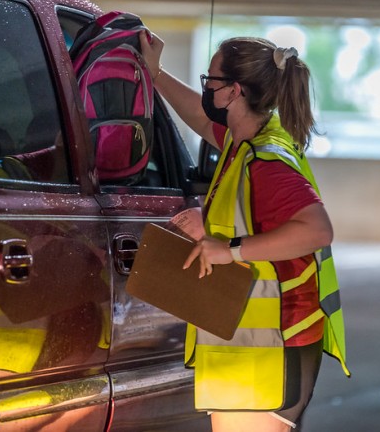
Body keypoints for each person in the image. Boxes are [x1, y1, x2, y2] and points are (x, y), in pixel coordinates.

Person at [139, 32, 350, 432]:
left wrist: (229, 249)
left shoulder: (266, 160)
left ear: (233, 91)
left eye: (210, 81)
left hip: (270, 347)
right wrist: (157, 75)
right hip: (257, 343)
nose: (205, 89)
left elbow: (318, 230)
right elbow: (200, 119)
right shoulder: (245, 141)